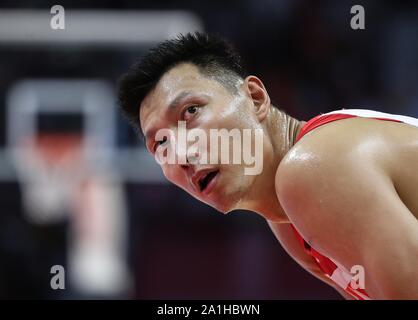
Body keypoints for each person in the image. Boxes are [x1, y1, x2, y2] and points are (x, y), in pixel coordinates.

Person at [117, 32, 418, 300]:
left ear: (255, 98)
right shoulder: (287, 222)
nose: (180, 153)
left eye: (191, 111)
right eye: (161, 144)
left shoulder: (313, 167)